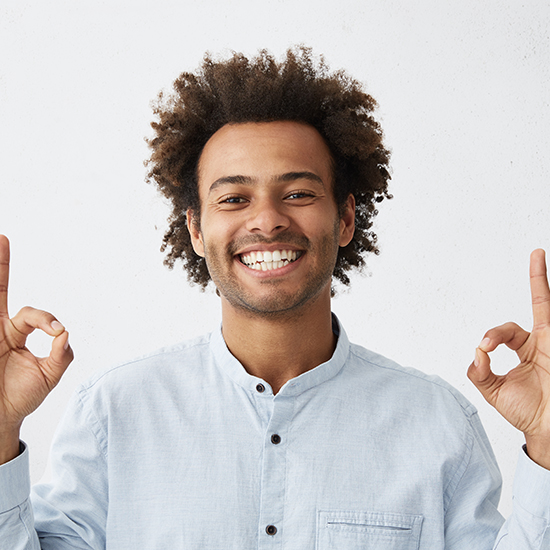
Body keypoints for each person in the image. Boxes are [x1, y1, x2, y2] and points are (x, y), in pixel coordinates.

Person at [1, 47, 549, 549]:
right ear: (195, 228)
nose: (266, 220)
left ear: (346, 218)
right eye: (234, 197)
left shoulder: (437, 422)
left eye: (299, 193)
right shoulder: (113, 414)